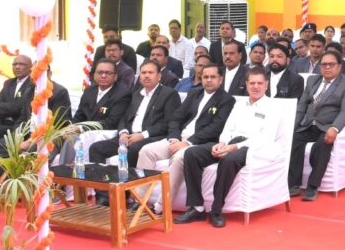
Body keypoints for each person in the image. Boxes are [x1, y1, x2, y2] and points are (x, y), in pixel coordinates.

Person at [178, 67, 279, 228]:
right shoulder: (239, 105)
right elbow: (227, 129)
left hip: (251, 148)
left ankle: (216, 210)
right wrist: (222, 143)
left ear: (266, 85)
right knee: (191, 153)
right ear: (246, 84)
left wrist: (233, 147)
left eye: (259, 83)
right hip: (230, 143)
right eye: (252, 83)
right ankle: (197, 207)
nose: (255, 87)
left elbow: (264, 138)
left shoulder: (273, 107)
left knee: (229, 160)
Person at [137, 64, 236, 212]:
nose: (209, 80)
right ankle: (139, 200)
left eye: (212, 77)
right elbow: (176, 118)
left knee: (179, 158)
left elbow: (215, 128)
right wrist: (174, 139)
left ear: (220, 79)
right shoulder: (194, 93)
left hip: (200, 143)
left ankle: (161, 206)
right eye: (205, 77)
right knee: (146, 151)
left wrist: (188, 143)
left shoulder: (227, 100)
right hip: (178, 138)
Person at [89, 60, 180, 207]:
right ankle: (104, 195)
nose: (146, 76)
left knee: (133, 149)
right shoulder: (136, 94)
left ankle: (124, 196)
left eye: (150, 73)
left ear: (159, 76)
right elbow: (123, 118)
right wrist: (123, 132)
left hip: (151, 137)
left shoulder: (169, 94)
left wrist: (142, 135)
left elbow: (169, 123)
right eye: (143, 73)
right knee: (96, 148)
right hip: (129, 136)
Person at [288, 51, 345, 201]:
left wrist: (335, 128)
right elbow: (302, 106)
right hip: (308, 125)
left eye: (331, 64)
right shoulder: (312, 80)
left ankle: (313, 186)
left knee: (323, 145)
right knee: (292, 140)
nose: (327, 67)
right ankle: (293, 184)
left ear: (339, 66)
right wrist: (292, 126)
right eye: (324, 64)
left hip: (327, 126)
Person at [72, 60, 132, 131]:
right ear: (94, 75)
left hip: (104, 133)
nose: (103, 76)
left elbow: (112, 123)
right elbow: (79, 115)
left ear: (115, 76)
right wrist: (71, 128)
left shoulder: (122, 94)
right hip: (82, 132)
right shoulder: (89, 90)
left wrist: (82, 129)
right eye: (100, 72)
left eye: (108, 73)